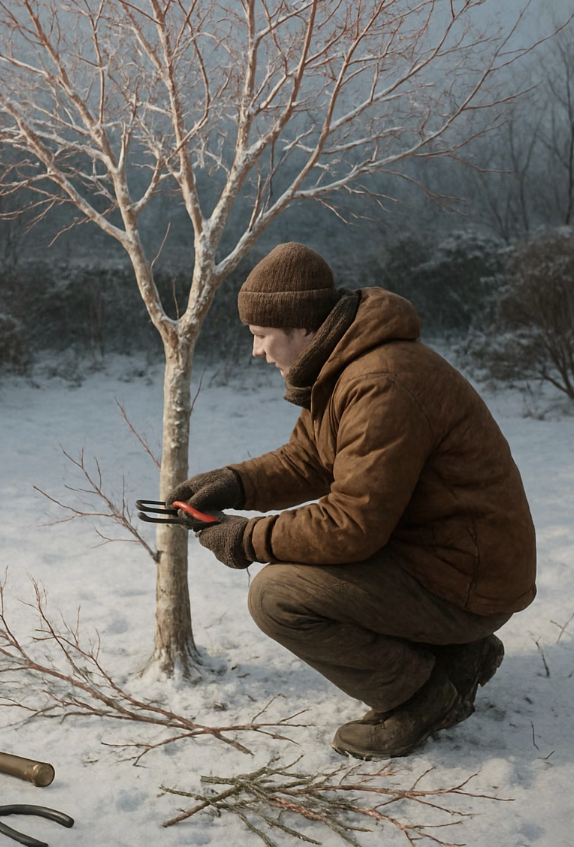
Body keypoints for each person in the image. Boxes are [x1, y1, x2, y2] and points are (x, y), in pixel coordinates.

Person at [173, 242, 536, 759]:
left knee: (277, 595)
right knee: (309, 568)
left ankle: (420, 697)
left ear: (301, 327)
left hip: (466, 581)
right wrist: (233, 483)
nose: (256, 350)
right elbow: (307, 460)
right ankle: (460, 653)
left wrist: (246, 539)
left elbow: (350, 526)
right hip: (452, 564)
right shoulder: (346, 364)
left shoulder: (378, 383)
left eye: (261, 335)